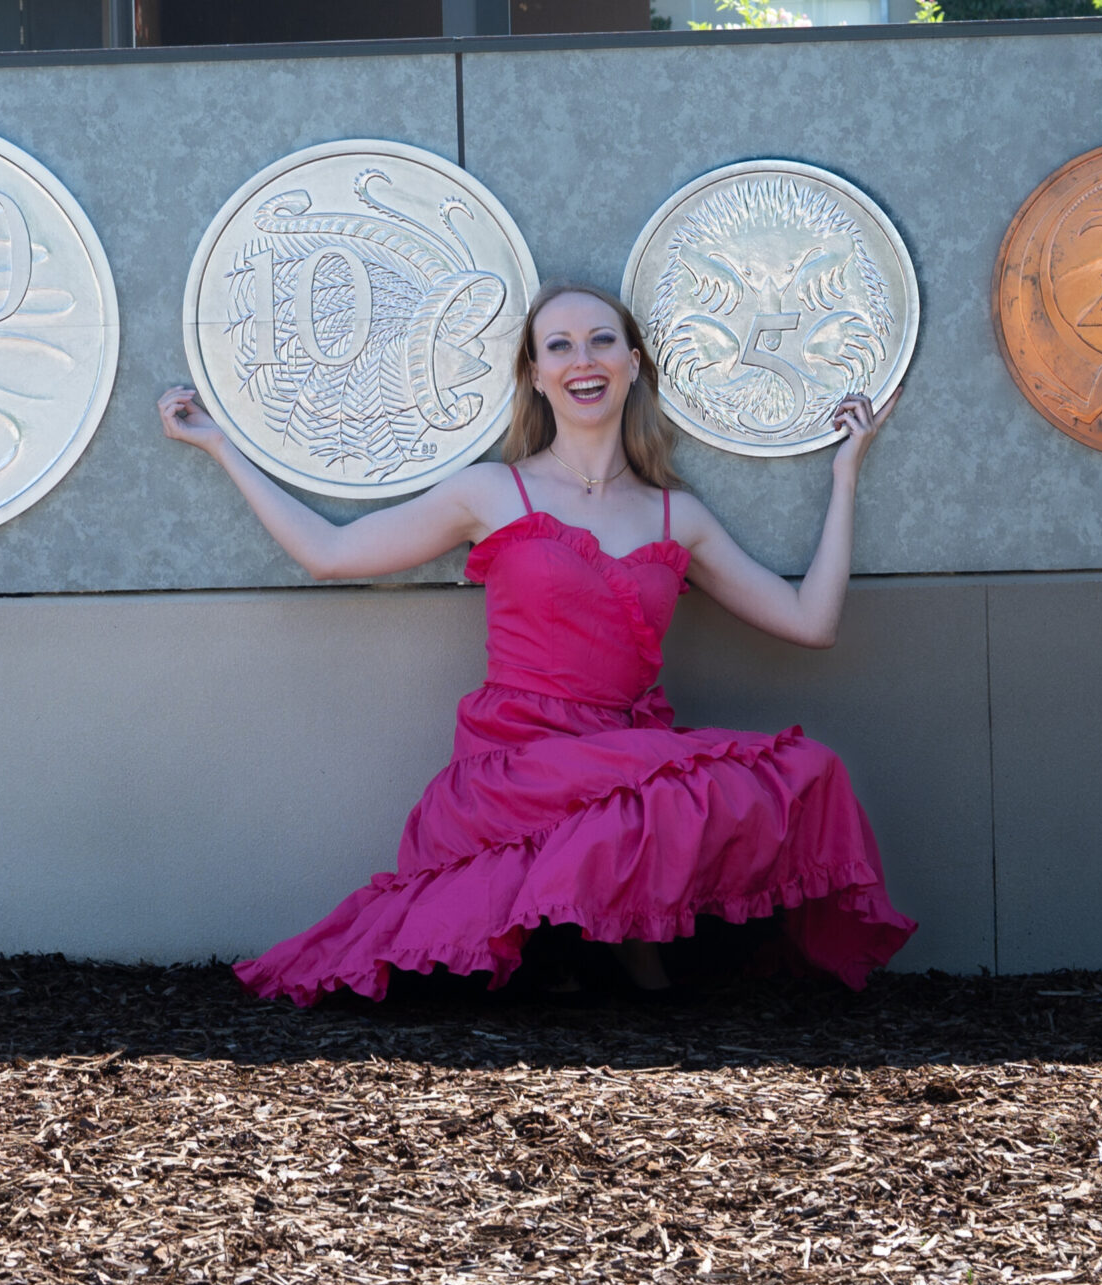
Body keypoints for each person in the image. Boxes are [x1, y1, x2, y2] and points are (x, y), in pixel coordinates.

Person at [159, 281, 915, 1006]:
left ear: (633, 361)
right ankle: (584, 942)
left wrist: (846, 473)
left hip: (626, 751)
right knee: (610, 817)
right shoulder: (491, 492)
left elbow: (810, 622)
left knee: (807, 768)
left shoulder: (676, 513)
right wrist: (221, 446)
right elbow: (328, 552)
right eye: (559, 345)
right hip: (517, 760)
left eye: (600, 341)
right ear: (535, 373)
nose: (581, 359)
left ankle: (602, 938)